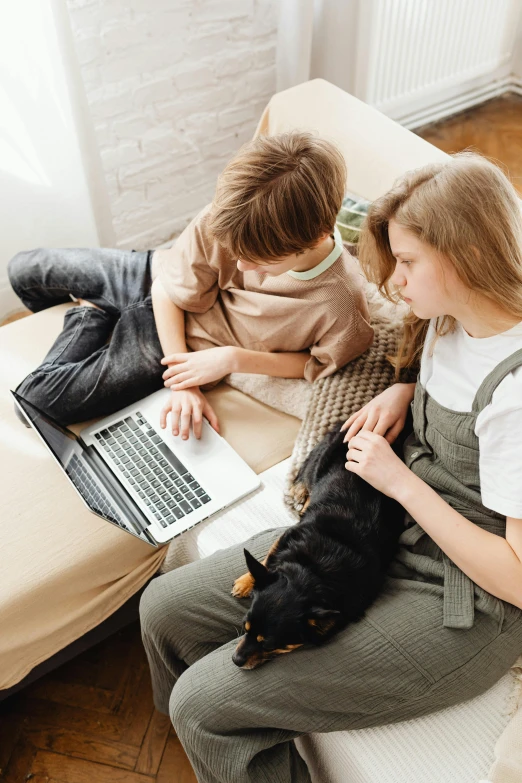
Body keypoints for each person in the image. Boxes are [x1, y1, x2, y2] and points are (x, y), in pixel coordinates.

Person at [139, 151, 522, 783]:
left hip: (461, 600)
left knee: (204, 704)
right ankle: (206, 756)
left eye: (406, 262)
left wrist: (398, 480)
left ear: (464, 255)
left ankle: (213, 732)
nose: (394, 282)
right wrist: (405, 392)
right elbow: (443, 388)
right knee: (163, 608)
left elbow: (514, 579)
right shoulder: (448, 321)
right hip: (377, 531)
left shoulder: (514, 399)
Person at [7, 132, 373, 434]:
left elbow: (316, 364)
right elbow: (165, 289)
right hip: (155, 274)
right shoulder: (232, 215)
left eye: (259, 261)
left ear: (316, 236)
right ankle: (98, 312)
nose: (241, 264)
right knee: (23, 271)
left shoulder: (340, 302)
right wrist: (184, 387)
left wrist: (229, 360)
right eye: (235, 250)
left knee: (33, 402)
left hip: (176, 341)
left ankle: (91, 315)